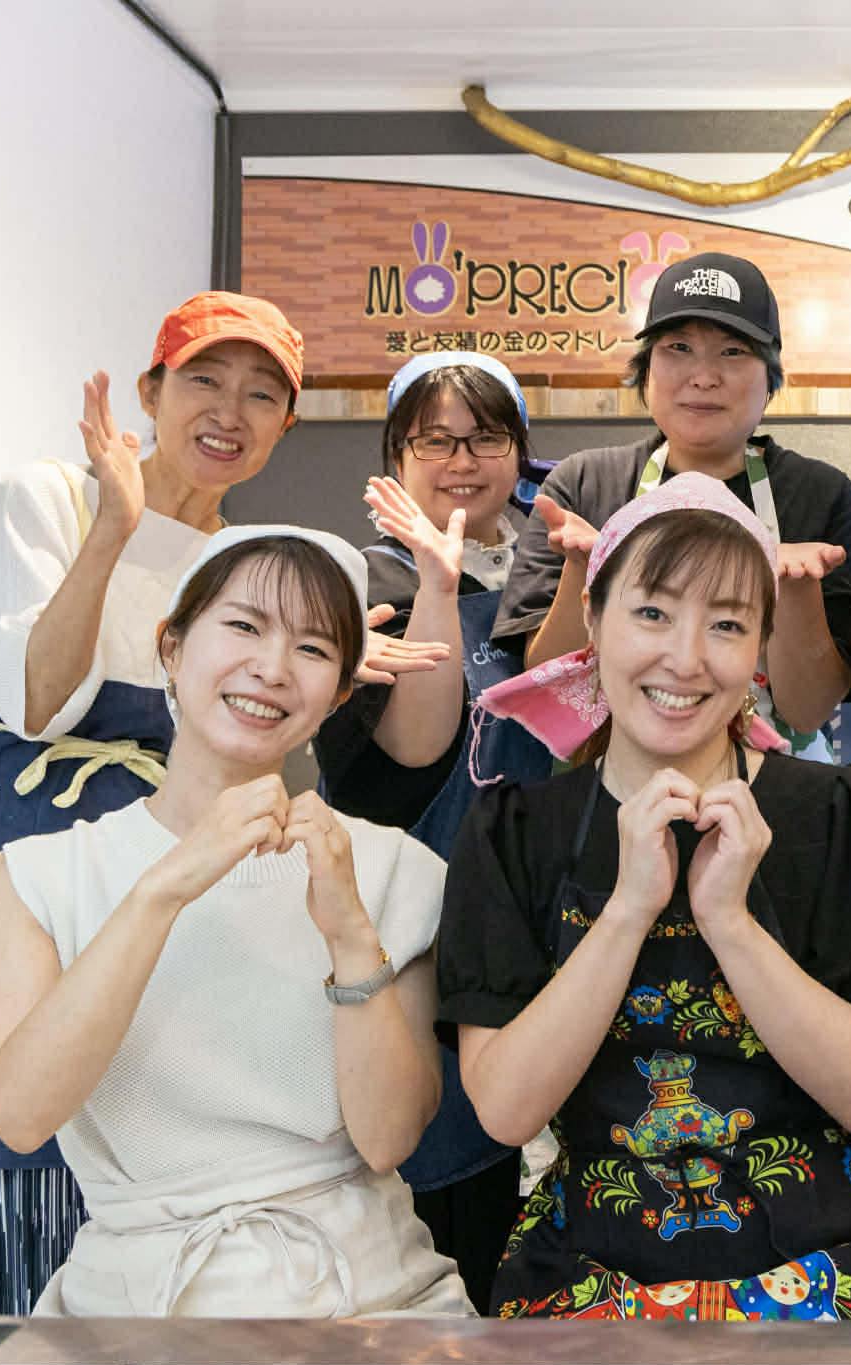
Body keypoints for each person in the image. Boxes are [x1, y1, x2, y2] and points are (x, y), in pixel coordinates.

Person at [0, 293, 440, 1326]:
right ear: (150, 392)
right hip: (42, 834)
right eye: (203, 379)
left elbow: (385, 1132)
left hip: (206, 837)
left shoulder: (245, 557)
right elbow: (35, 701)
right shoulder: (56, 498)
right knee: (13, 1150)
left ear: (286, 426)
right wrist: (115, 528)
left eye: (262, 395)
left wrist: (298, 647)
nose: (229, 411)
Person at [437, 473, 851, 1320]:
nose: (686, 657)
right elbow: (506, 1108)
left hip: (829, 1257)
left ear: (760, 649)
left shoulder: (836, 813)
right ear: (593, 617)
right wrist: (628, 909)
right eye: (653, 612)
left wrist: (729, 920)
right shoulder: (516, 831)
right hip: (595, 1265)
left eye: (728, 624)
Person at [0, 527, 472, 1317]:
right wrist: (165, 886)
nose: (272, 667)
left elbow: (389, 1137)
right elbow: (21, 1115)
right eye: (243, 625)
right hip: (138, 1310)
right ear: (171, 647)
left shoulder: (390, 869)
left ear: (341, 691)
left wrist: (349, 933)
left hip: (367, 1299)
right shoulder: (37, 877)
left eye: (312, 647)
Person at [314, 352, 552, 1309]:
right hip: (414, 940)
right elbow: (415, 753)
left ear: (520, 451)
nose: (462, 460)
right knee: (437, 1254)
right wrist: (437, 586)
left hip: (545, 929)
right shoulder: (352, 586)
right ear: (396, 455)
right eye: (435, 440)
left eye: (485, 437)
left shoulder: (557, 572)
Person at [493, 252, 851, 758]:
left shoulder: (819, 494)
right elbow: (553, 689)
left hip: (772, 781)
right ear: (646, 369)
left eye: (733, 352)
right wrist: (583, 568)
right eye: (679, 348)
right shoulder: (583, 486)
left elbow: (808, 712)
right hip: (613, 779)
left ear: (771, 377)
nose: (703, 376)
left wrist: (798, 593)